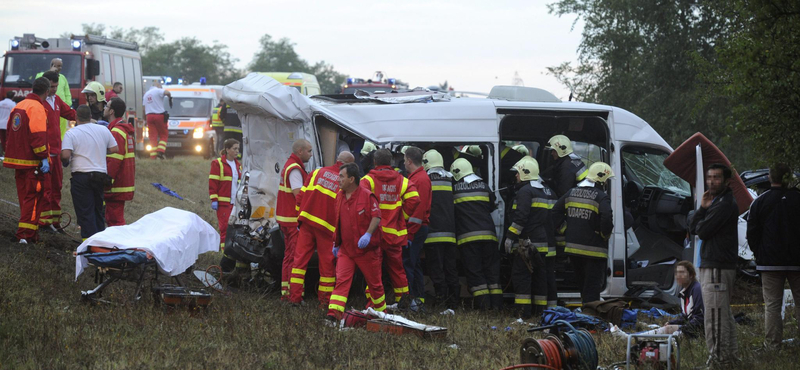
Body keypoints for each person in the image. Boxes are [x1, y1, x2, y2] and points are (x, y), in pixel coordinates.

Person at [688, 163, 739, 366]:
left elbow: (703, 231)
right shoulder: (715, 202)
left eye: (716, 177)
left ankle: (718, 361)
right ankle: (730, 358)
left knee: (715, 317)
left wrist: (702, 221)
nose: (711, 181)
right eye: (709, 177)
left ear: (726, 181)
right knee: (723, 314)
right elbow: (694, 227)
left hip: (717, 266)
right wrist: (702, 208)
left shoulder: (725, 204)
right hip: (713, 264)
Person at [289, 151, 355, 306]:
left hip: (306, 224)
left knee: (299, 262)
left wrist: (300, 217)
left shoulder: (317, 172)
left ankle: (295, 299)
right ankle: (324, 301)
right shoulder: (345, 181)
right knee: (326, 267)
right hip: (326, 228)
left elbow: (300, 197)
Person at [746, 163, 800, 349]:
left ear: (769, 177)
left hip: (769, 262)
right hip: (797, 261)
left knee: (772, 305)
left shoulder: (760, 201)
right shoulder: (798, 199)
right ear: (788, 178)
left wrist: (760, 254)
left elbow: (752, 233)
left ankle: (772, 345)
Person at [361, 148, 420, 308]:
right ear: (391, 162)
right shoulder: (403, 180)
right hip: (395, 234)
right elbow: (414, 199)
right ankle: (404, 302)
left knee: (374, 271)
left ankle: (373, 303)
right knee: (398, 270)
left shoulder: (367, 180)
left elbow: (360, 204)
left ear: (374, 162)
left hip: (375, 234)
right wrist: (402, 217)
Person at [327, 162, 385, 320]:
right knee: (341, 281)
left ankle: (381, 313)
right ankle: (334, 314)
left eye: (341, 177)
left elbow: (376, 216)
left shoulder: (367, 195)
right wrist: (336, 243)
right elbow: (338, 220)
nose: (338, 180)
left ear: (351, 179)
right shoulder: (339, 196)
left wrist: (368, 235)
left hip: (366, 251)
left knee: (375, 284)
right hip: (346, 249)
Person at [552, 161, 613, 304]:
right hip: (594, 251)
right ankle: (591, 315)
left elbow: (555, 211)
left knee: (582, 283)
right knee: (591, 286)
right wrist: (604, 234)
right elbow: (607, 217)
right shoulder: (601, 197)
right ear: (601, 180)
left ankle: (586, 309)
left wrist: (564, 229)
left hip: (573, 249)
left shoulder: (571, 193)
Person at [506, 156, 558, 319]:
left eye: (518, 173)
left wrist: (510, 236)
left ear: (526, 173)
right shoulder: (545, 191)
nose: (516, 176)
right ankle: (540, 313)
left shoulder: (525, 191)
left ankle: (522, 313)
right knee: (540, 279)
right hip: (542, 244)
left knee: (522, 278)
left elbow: (521, 218)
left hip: (526, 244)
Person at [2, 77, 51, 244]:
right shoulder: (37, 108)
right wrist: (43, 157)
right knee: (33, 198)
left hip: (19, 162)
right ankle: (25, 235)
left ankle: (29, 232)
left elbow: (9, 133)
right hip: (32, 163)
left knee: (25, 198)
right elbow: (38, 137)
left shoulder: (19, 105)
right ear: (47, 91)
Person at [61, 105, 119, 240]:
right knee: (98, 211)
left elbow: (65, 155)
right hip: (100, 177)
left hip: (81, 177)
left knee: (85, 213)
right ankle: (101, 244)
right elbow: (114, 148)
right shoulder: (102, 130)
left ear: (76, 118)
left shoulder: (72, 133)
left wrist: (68, 158)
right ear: (90, 117)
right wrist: (100, 150)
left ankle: (89, 247)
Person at [451, 157, 501, 311]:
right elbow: (493, 207)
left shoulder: (455, 189)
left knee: (475, 273)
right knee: (492, 273)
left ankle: (484, 307)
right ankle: (497, 307)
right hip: (489, 237)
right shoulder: (485, 187)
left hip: (468, 238)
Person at [613, 260, 704, 338]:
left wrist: (681, 328)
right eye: (677, 273)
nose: (678, 276)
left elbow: (699, 318)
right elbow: (685, 316)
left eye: (682, 272)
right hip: (690, 327)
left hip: (697, 330)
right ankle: (630, 337)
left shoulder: (696, 289)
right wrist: (672, 322)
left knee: (667, 330)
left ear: (691, 275)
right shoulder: (685, 291)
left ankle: (629, 337)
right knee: (667, 328)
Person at [38, 71, 76, 231]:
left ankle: (55, 221)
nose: (54, 89)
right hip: (44, 154)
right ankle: (44, 222)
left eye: (56, 86)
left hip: (56, 152)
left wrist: (86, 119)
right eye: (52, 87)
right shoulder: (40, 102)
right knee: (45, 189)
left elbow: (70, 113)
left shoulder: (57, 100)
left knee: (57, 187)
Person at [422, 149, 460, 308]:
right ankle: (454, 302)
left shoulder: (425, 179)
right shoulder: (452, 179)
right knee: (451, 269)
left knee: (436, 270)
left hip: (433, 234)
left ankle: (441, 300)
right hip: (451, 234)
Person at [276, 139, 311, 299]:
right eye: (309, 151)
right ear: (300, 151)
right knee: (295, 258)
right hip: (292, 220)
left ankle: (286, 291)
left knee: (289, 256)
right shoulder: (295, 169)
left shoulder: (291, 165)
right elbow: (299, 195)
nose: (310, 154)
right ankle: (292, 294)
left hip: (286, 219)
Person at [402, 146, 432, 311]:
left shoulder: (419, 180)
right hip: (418, 228)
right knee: (415, 265)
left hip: (415, 229)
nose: (404, 163)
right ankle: (418, 301)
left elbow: (417, 211)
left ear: (409, 161)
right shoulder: (418, 177)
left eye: (405, 160)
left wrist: (410, 234)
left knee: (408, 264)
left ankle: (411, 302)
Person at [209, 139, 242, 272]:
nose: (236, 151)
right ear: (227, 149)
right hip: (223, 203)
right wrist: (214, 199)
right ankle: (225, 255)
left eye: (238, 149)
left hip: (236, 203)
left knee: (235, 230)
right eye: (234, 148)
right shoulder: (218, 163)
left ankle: (232, 256)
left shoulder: (238, 165)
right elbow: (213, 182)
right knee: (225, 230)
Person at [104, 98, 135, 227]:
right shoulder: (124, 130)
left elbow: (114, 160)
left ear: (111, 111)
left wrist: (107, 179)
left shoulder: (116, 132)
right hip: (122, 181)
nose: (104, 108)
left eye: (107, 106)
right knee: (114, 218)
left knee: (115, 221)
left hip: (116, 183)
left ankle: (118, 245)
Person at [36, 58, 72, 139]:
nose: (60, 68)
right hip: (47, 108)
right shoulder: (41, 75)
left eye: (61, 66)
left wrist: (67, 104)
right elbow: (39, 81)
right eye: (58, 66)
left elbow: (67, 93)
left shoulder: (62, 78)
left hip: (60, 109)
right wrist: (51, 72)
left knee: (61, 131)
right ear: (52, 65)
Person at [142, 80, 171, 159]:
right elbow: (167, 92)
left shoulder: (146, 95)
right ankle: (160, 152)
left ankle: (153, 156)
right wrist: (169, 97)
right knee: (163, 134)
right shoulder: (158, 90)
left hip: (149, 116)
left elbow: (144, 108)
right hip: (159, 116)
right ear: (158, 85)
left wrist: (145, 119)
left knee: (152, 137)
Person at [0, 92, 18, 157]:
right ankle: (7, 153)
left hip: (0, 124)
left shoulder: (0, 103)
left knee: (2, 140)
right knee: (8, 140)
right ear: (13, 97)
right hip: (8, 124)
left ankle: (2, 153)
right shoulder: (13, 104)